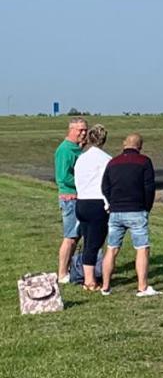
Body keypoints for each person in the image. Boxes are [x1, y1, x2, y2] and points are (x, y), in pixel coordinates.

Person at [100, 133, 160, 297]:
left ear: (124, 144)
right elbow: (149, 188)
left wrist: (112, 202)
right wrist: (146, 208)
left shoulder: (113, 162)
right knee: (142, 248)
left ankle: (105, 286)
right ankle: (142, 286)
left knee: (112, 248)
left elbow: (104, 186)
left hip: (116, 211)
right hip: (136, 210)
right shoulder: (144, 162)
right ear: (140, 146)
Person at [72, 125, 112, 290]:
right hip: (97, 202)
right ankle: (89, 280)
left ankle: (90, 276)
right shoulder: (107, 159)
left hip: (82, 202)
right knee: (94, 243)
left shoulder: (82, 158)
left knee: (88, 239)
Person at [54, 117, 88, 283]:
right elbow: (62, 177)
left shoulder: (76, 149)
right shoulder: (65, 150)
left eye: (85, 130)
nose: (83, 133)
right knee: (70, 236)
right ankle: (61, 273)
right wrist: (82, 183)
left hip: (78, 197)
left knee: (76, 235)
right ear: (71, 130)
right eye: (80, 130)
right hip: (70, 197)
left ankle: (69, 267)